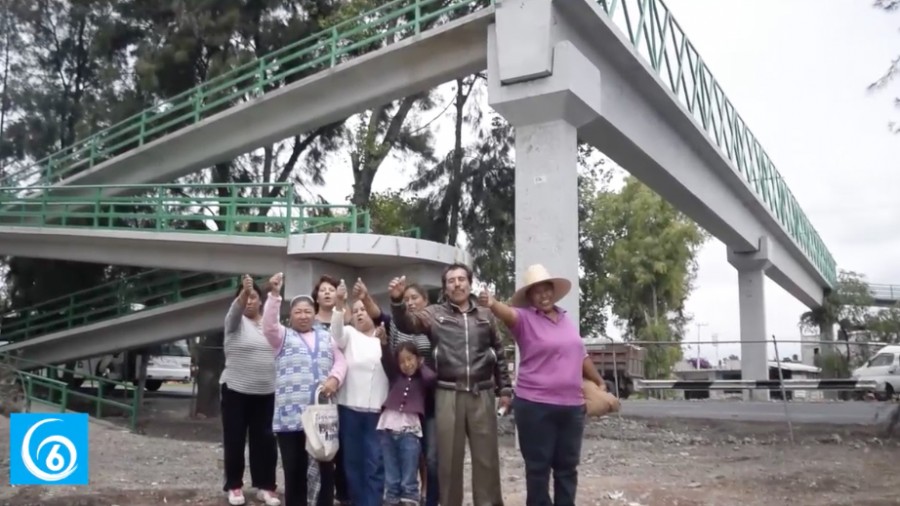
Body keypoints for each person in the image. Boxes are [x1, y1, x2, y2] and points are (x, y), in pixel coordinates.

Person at [477, 264, 604, 506]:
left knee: (567, 468)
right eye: (537, 292)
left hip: (572, 407)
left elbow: (580, 354)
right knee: (538, 469)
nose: (544, 295)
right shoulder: (524, 319)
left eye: (547, 290)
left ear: (553, 292)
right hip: (535, 406)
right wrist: (492, 303)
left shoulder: (565, 319)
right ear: (530, 297)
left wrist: (598, 381)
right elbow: (507, 313)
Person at [389, 263, 513, 506]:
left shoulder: (485, 315)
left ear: (469, 283)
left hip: (482, 391)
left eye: (461, 279)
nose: (457, 284)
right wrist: (396, 301)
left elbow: (498, 352)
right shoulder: (435, 313)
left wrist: (505, 389)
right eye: (451, 281)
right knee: (449, 461)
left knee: (486, 459)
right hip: (447, 392)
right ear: (445, 287)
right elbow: (407, 323)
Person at [261, 272, 347, 506]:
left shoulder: (326, 337)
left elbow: (341, 362)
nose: (303, 316)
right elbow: (268, 325)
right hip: (291, 419)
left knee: (325, 471)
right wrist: (275, 295)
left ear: (314, 314)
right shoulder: (282, 337)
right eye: (298, 312)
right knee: (295, 473)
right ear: (291, 316)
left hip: (321, 418)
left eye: (307, 311)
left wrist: (334, 379)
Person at [355, 278, 439, 506]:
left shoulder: (433, 325)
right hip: (402, 398)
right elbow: (377, 315)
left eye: (415, 298)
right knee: (404, 451)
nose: (410, 302)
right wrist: (365, 296)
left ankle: (428, 496)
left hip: (428, 397)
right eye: (406, 298)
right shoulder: (396, 324)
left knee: (430, 455)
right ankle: (400, 494)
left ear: (426, 301)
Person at [220, 275, 280, 506]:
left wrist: (275, 292)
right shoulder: (234, 323)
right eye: (245, 297)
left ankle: (266, 487)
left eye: (254, 296)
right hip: (236, 390)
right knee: (235, 439)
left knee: (265, 441)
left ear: (261, 300)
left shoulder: (269, 324)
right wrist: (244, 293)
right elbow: (235, 311)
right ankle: (234, 486)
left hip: (266, 392)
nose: (249, 301)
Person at [331, 279, 389, 506]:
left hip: (377, 410)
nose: (359, 313)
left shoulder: (385, 337)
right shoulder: (349, 334)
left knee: (375, 462)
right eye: (355, 311)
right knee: (352, 463)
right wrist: (339, 303)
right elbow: (336, 333)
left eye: (363, 309)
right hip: (349, 409)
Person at [378, 337, 437, 506]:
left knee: (409, 476)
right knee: (391, 475)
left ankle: (410, 500)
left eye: (410, 359)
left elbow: (431, 379)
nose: (407, 364)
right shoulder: (395, 376)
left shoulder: (422, 380)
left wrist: (421, 366)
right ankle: (391, 500)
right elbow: (386, 360)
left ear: (418, 359)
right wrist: (383, 343)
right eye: (402, 361)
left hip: (410, 433)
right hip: (388, 431)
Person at [310, 274, 351, 505]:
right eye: (322, 289)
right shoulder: (308, 321)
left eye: (331, 289)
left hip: (344, 389)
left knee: (342, 443)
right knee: (318, 443)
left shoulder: (347, 321)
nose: (327, 292)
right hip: (317, 392)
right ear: (316, 296)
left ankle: (342, 493)